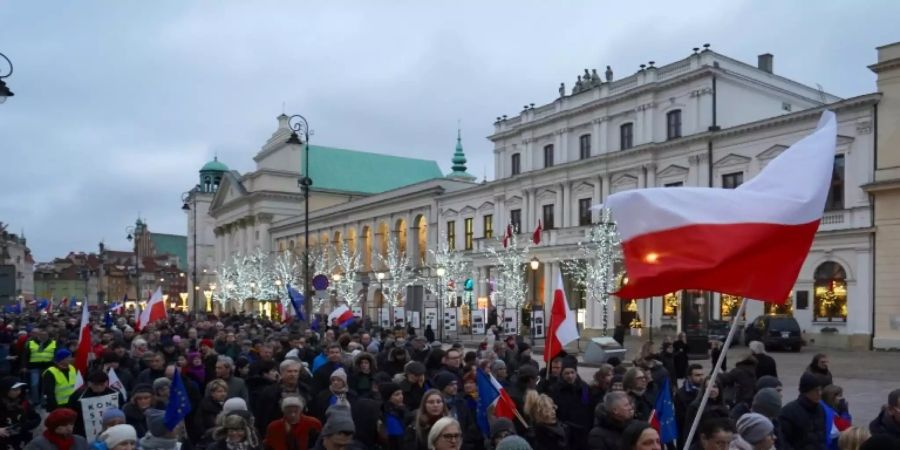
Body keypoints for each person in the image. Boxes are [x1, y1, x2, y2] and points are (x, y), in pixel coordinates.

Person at [253, 359, 310, 437]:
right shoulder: (269, 392)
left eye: (295, 371)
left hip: (301, 432)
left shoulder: (306, 390)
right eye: (289, 371)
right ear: (282, 373)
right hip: (277, 433)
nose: (293, 374)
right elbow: (262, 416)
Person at [549, 357, 594, 449]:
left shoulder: (584, 388)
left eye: (572, 372)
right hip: (564, 430)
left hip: (582, 430)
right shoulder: (555, 389)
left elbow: (587, 408)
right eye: (567, 373)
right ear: (562, 374)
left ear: (576, 373)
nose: (570, 376)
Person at [67, 370, 125, 437]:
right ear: (89, 383)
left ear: (106, 383)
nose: (99, 387)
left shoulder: (116, 394)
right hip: (84, 430)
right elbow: (71, 414)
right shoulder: (77, 396)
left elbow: (121, 410)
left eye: (102, 384)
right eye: (96, 385)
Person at [779, 372, 826, 450]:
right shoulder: (789, 412)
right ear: (806, 391)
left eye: (821, 389)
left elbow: (822, 437)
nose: (820, 393)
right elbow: (784, 441)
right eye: (816, 390)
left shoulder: (820, 409)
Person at [0, 376, 41, 450]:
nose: (18, 392)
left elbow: (36, 417)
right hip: (4, 441)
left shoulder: (23, 401)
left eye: (19, 389)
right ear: (5, 390)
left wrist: (25, 426)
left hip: (22, 439)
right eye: (15, 389)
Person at [24, 408, 89, 450]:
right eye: (64, 425)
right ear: (54, 426)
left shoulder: (80, 441)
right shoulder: (38, 444)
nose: (69, 428)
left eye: (71, 424)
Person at [23, 329, 56, 406]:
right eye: (42, 335)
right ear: (38, 335)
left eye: (45, 335)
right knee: (34, 384)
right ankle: (35, 400)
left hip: (48, 367)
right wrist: (24, 366)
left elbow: (56, 355)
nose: (43, 337)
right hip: (34, 367)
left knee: (45, 385)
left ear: (48, 336)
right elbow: (25, 356)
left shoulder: (53, 343)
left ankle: (43, 401)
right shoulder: (30, 343)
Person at [676, 364, 705, 437]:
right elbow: (681, 418)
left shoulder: (707, 390)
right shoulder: (681, 394)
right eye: (697, 375)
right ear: (689, 377)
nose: (701, 378)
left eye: (702, 374)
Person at [378, 383, 407, 450]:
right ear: (388, 397)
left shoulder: (402, 410)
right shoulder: (387, 415)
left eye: (401, 393)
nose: (401, 396)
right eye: (397, 394)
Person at [822, 385, 852, 450]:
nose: (842, 398)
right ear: (833, 398)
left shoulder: (821, 405)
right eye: (840, 396)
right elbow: (846, 428)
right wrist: (845, 412)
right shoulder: (831, 414)